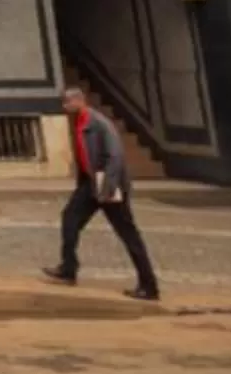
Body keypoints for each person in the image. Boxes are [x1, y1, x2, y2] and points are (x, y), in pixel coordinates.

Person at [40, 83, 161, 302]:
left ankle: (148, 284)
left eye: (67, 102)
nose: (65, 107)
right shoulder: (79, 122)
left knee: (128, 233)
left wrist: (108, 188)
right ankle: (68, 268)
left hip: (108, 183)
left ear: (79, 100)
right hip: (90, 183)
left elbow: (114, 156)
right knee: (70, 219)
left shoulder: (99, 123)